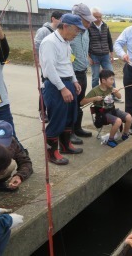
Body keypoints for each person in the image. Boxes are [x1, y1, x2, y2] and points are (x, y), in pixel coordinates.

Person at [39, 14, 85, 165]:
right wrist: (63, 88)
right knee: (57, 119)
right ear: (65, 26)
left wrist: (74, 81)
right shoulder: (49, 42)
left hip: (67, 83)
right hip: (55, 86)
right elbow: (50, 69)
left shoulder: (66, 42)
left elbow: (67, 64)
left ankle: (65, 145)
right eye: (76, 30)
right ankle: (51, 153)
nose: (77, 33)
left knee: (69, 117)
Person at [81, 69, 132, 148]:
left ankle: (125, 135)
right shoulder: (95, 90)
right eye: (111, 79)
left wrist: (116, 92)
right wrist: (94, 98)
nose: (113, 81)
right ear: (103, 80)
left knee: (129, 117)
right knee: (118, 121)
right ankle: (110, 140)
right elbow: (82, 102)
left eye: (113, 79)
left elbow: (119, 97)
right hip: (102, 114)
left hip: (112, 110)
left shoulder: (110, 88)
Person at [70, 3, 97, 144]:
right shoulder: (69, 32)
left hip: (82, 72)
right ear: (77, 18)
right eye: (87, 20)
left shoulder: (86, 32)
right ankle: (69, 133)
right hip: (71, 74)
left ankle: (77, 128)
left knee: (79, 103)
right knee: (71, 105)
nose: (89, 23)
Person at [34, 11, 64, 123]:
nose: (62, 21)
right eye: (60, 19)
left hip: (57, 66)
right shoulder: (44, 31)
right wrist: (38, 60)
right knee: (44, 88)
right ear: (53, 19)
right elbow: (36, 45)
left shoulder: (59, 32)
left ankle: (53, 111)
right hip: (46, 65)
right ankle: (42, 111)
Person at [0, 21, 23, 147]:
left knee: (10, 137)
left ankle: (23, 161)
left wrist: (0, 34)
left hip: (1, 107)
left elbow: (5, 49)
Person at [88, 7, 119, 96]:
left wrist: (111, 53)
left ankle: (113, 95)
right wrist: (88, 56)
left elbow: (109, 40)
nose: (98, 19)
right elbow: (87, 42)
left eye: (100, 17)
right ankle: (96, 96)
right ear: (92, 17)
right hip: (94, 56)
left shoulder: (105, 26)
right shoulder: (89, 27)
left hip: (105, 55)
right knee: (95, 77)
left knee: (110, 76)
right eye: (96, 17)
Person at [0, 120, 33, 191]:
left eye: (4, 142)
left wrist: (19, 176)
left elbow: (25, 162)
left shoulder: (13, 142)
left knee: (11, 164)